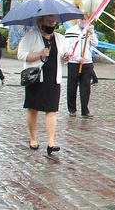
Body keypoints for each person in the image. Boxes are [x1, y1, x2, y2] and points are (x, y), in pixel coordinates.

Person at [17, 15, 73, 156]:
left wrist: (66, 57)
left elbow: (62, 58)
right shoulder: (31, 37)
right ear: (40, 23)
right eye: (48, 22)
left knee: (52, 110)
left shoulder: (59, 38)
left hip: (53, 79)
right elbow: (21, 55)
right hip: (36, 79)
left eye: (53, 22)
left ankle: (51, 142)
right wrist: (39, 55)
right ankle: (33, 137)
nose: (51, 24)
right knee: (33, 108)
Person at [64, 19, 98, 118]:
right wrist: (77, 58)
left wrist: (91, 33)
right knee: (72, 87)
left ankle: (85, 109)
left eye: (86, 19)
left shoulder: (90, 30)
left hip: (87, 63)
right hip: (74, 63)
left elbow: (95, 44)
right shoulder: (70, 31)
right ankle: (72, 109)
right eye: (81, 19)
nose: (83, 21)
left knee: (86, 88)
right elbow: (67, 48)